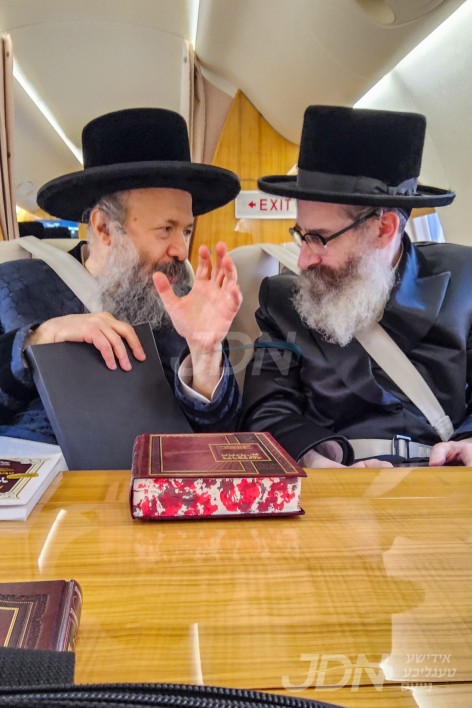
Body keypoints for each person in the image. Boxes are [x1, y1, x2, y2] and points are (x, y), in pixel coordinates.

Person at [242, 105, 472, 468]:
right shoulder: (283, 300)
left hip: (444, 482)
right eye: (301, 235)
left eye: (319, 238)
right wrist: (321, 462)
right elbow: (267, 410)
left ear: (384, 230)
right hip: (337, 483)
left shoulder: (465, 280)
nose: (303, 260)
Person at [0, 107, 242, 444]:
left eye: (186, 231)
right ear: (104, 228)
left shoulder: (190, 301)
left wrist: (205, 353)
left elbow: (219, 436)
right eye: (166, 229)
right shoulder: (13, 287)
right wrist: (36, 340)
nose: (180, 251)